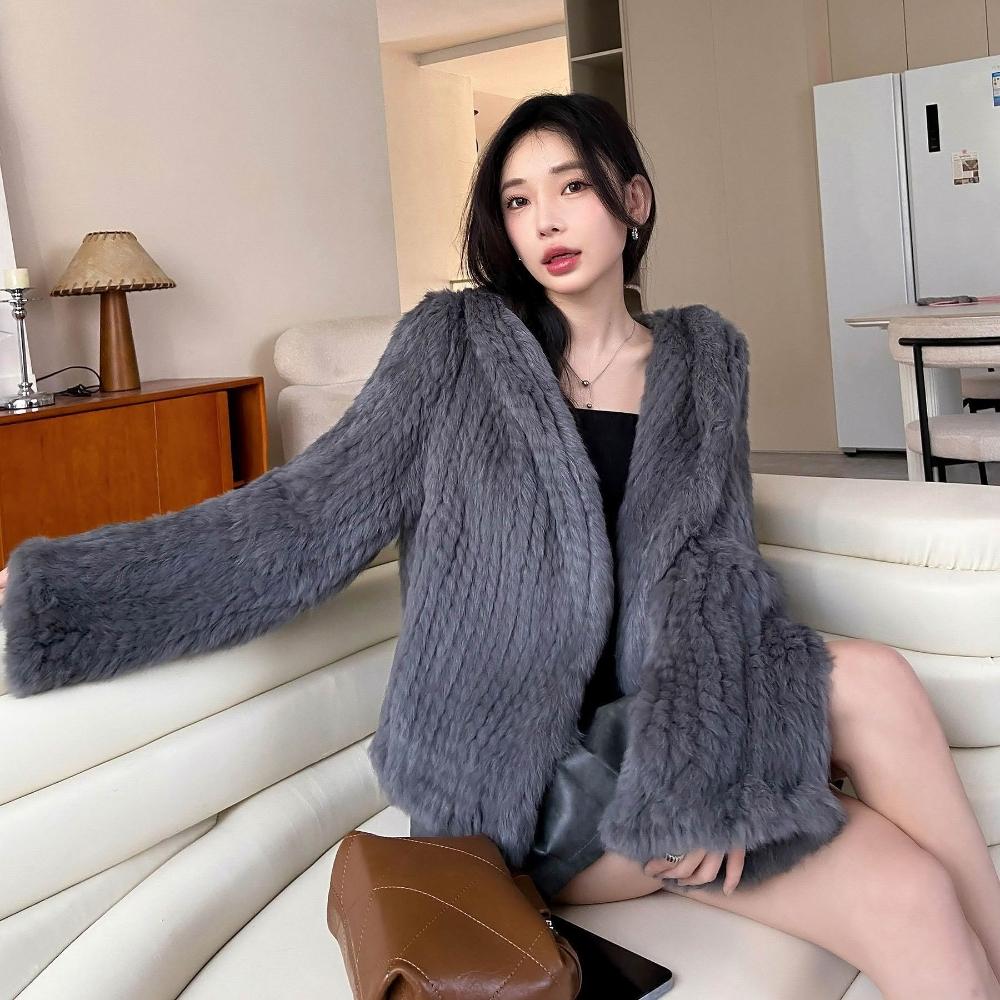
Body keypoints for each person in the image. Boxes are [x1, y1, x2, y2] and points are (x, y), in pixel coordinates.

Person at [4, 92, 1000, 999]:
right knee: (901, 880)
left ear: (633, 201)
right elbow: (298, 521)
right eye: (520, 201)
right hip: (521, 784)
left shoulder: (702, 360)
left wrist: (705, 771)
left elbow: (715, 574)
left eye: (572, 188)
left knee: (884, 725)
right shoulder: (451, 346)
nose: (547, 221)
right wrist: (53, 598)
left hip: (652, 742)